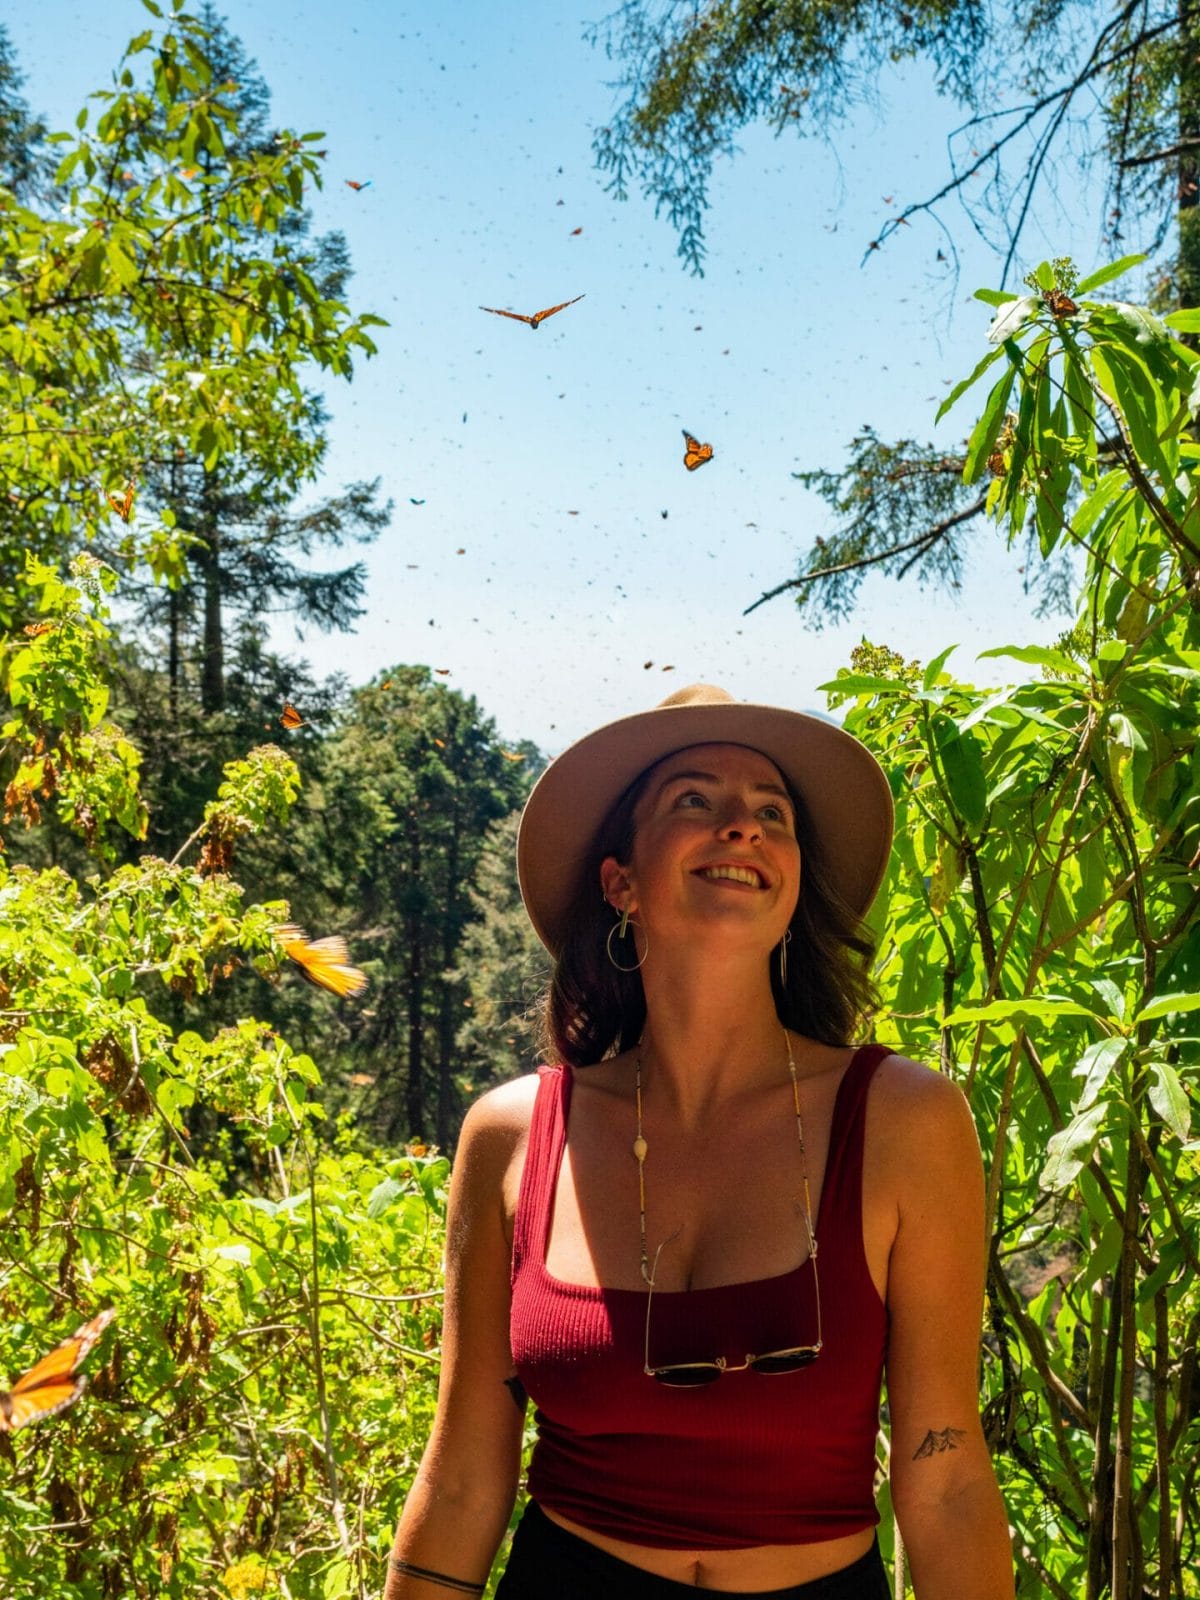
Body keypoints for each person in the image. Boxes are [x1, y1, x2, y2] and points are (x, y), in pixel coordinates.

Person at [383, 684, 1015, 1600]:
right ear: (620, 881)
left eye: (773, 813)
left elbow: (947, 1478)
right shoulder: (513, 1136)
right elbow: (463, 1477)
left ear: (793, 886)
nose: (742, 828)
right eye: (694, 800)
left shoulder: (904, 1122)